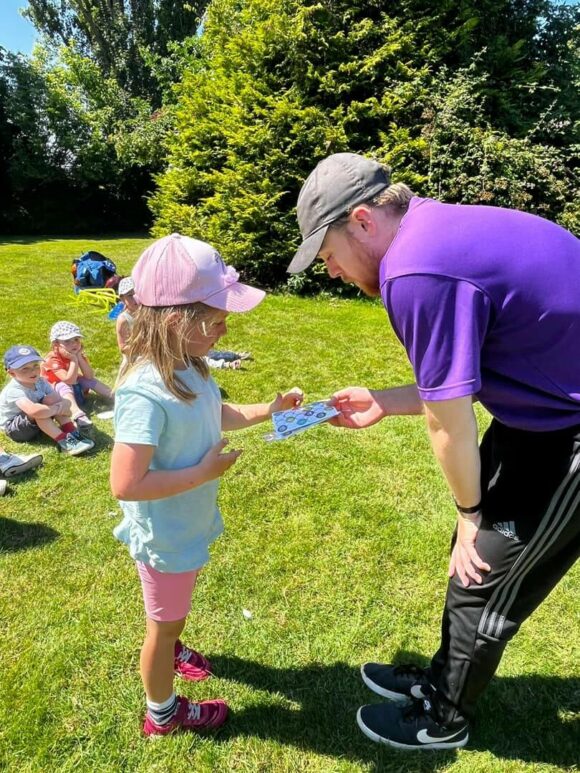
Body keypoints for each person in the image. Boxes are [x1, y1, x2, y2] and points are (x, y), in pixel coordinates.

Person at [288, 152, 580, 751]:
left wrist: (471, 514)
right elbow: (463, 376)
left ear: (363, 221)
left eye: (328, 254)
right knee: (471, 564)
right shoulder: (432, 230)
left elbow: (449, 422)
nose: (332, 271)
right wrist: (383, 401)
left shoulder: (414, 271)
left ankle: (444, 718)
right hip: (540, 417)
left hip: (569, 432)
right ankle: (440, 680)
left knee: (485, 575)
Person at [109, 233, 303, 737]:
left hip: (185, 523)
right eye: (216, 322)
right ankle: (163, 714)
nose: (224, 330)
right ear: (178, 321)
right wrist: (203, 473)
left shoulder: (190, 367)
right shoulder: (145, 392)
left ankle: (173, 644)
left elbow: (217, 412)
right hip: (167, 537)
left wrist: (270, 409)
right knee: (161, 626)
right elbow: (125, 483)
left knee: (171, 617)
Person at [0, 345, 94, 456]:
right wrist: (58, 408)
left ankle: (71, 431)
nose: (33, 371)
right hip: (16, 430)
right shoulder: (13, 390)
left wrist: (65, 404)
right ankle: (64, 441)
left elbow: (59, 399)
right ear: (12, 373)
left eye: (35, 365)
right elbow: (34, 411)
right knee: (39, 411)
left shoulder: (40, 381)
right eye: (25, 369)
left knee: (51, 399)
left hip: (37, 418)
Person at [42, 321, 113, 430]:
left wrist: (79, 357)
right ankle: (77, 414)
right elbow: (68, 380)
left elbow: (89, 376)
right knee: (62, 384)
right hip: (58, 396)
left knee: (87, 380)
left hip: (74, 390)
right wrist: (74, 360)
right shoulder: (52, 359)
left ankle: (116, 396)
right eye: (67, 341)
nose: (74, 344)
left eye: (76, 339)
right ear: (56, 344)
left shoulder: (76, 354)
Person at [116, 277, 139, 355]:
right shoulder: (123, 320)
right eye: (130, 295)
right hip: (134, 358)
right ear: (122, 298)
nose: (135, 298)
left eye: (137, 293)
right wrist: (143, 346)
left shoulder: (146, 313)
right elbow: (123, 348)